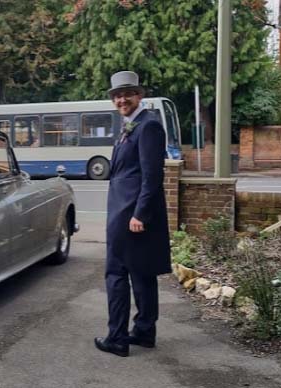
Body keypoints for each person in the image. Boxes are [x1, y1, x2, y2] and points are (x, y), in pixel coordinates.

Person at [94, 71, 172, 357]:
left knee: (116, 273)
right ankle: (144, 332)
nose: (121, 99)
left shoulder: (148, 126)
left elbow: (152, 176)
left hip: (130, 215)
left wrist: (139, 214)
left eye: (127, 94)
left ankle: (116, 338)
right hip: (128, 211)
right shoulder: (132, 124)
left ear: (140, 95)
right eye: (117, 95)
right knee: (141, 273)